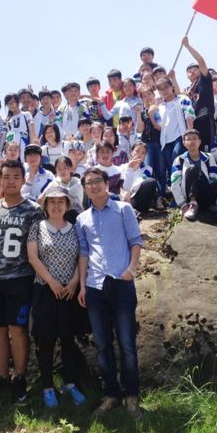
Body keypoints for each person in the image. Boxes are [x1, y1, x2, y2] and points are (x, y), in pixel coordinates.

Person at [75, 168, 143, 419]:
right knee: (103, 345)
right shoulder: (82, 219)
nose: (93, 186)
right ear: (84, 188)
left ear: (106, 183)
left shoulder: (123, 209)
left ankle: (132, 394)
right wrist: (82, 285)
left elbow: (136, 241)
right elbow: (83, 253)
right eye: (88, 183)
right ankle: (112, 394)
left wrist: (131, 270)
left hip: (121, 282)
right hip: (94, 285)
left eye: (97, 181)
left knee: (126, 343)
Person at [0, 160, 44, 405]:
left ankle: (20, 378)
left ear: (23, 180)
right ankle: (2, 379)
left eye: (17, 176)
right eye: (7, 176)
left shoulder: (34, 210)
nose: (11, 180)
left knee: (17, 329)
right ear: (0, 180)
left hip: (20, 278)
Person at [27, 185, 87, 409]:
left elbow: (82, 255)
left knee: (68, 339)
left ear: (67, 205)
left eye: (60, 202)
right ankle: (47, 386)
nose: (56, 206)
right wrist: (52, 282)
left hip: (69, 291)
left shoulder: (75, 228)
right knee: (46, 340)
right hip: (45, 290)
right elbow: (33, 258)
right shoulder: (37, 227)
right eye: (51, 202)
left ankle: (70, 383)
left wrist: (73, 281)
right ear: (45, 206)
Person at [171, 129, 217, 221]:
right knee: (193, 169)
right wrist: (183, 205)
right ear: (184, 143)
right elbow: (175, 184)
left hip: (204, 196)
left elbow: (215, 178)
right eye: (188, 139)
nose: (192, 141)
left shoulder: (208, 157)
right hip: (188, 197)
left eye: (195, 139)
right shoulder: (179, 160)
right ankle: (193, 204)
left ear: (199, 141)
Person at [157, 77, 195, 186]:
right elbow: (159, 125)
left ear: (172, 87)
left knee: (177, 159)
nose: (164, 91)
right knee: (171, 167)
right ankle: (176, 193)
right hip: (166, 140)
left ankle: (186, 190)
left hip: (180, 136)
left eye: (166, 87)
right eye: (161, 89)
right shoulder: (160, 106)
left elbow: (189, 115)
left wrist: (189, 134)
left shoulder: (182, 99)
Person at [182, 36, 215, 153]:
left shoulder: (205, 80)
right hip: (191, 122)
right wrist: (173, 77)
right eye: (189, 70)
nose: (192, 71)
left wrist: (188, 46)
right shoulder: (186, 90)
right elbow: (175, 93)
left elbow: (201, 61)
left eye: (195, 69)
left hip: (205, 118)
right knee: (192, 152)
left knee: (205, 153)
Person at [137, 87, 165, 209]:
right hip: (147, 144)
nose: (148, 97)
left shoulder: (160, 109)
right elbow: (141, 129)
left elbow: (161, 126)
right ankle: (151, 197)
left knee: (161, 171)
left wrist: (152, 114)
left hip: (159, 142)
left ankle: (160, 197)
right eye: (144, 96)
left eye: (150, 94)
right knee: (149, 170)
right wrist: (138, 113)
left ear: (154, 95)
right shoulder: (143, 112)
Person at [38, 156, 84, 223]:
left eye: (65, 168)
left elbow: (65, 193)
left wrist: (52, 191)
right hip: (58, 214)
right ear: (56, 171)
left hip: (75, 215)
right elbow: (41, 197)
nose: (62, 171)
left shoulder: (77, 183)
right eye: (59, 169)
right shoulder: (55, 182)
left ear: (71, 169)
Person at [120, 142, 159, 215]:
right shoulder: (122, 167)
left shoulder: (148, 169)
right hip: (123, 198)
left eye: (143, 153)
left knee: (150, 182)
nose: (139, 154)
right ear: (131, 152)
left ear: (145, 155)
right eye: (137, 151)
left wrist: (130, 193)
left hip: (138, 201)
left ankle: (130, 208)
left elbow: (141, 183)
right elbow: (121, 185)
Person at [5, 93, 38, 162]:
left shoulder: (26, 114)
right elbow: (7, 137)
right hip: (12, 147)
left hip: (25, 143)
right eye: (9, 103)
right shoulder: (8, 120)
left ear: (18, 102)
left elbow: (32, 131)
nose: (11, 105)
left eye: (13, 102)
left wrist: (33, 146)